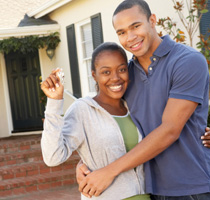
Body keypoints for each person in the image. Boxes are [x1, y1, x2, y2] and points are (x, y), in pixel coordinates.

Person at [77, 0, 210, 199]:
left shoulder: (187, 60)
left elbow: (170, 130)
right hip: (148, 188)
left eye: (136, 26)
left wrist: (109, 171)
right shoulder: (126, 76)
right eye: (122, 32)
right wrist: (84, 164)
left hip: (192, 187)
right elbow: (109, 125)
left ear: (152, 20)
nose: (130, 37)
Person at [40, 42, 152, 200]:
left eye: (121, 69)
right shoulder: (83, 110)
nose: (116, 78)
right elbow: (53, 157)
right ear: (94, 75)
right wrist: (54, 102)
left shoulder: (135, 106)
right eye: (106, 72)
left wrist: (201, 131)